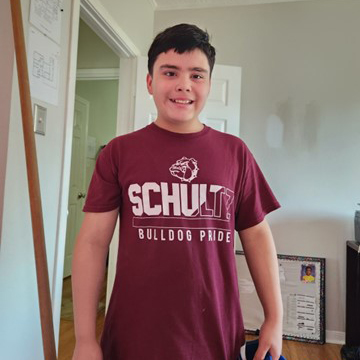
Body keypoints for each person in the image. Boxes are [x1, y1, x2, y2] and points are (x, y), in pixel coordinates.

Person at [72, 23, 283, 360]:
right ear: (150, 82)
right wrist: (84, 338)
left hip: (214, 335)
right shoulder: (118, 152)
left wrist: (274, 317)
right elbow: (93, 242)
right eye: (170, 72)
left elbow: (257, 235)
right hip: (133, 335)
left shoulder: (235, 153)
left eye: (197, 75)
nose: (184, 85)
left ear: (209, 85)